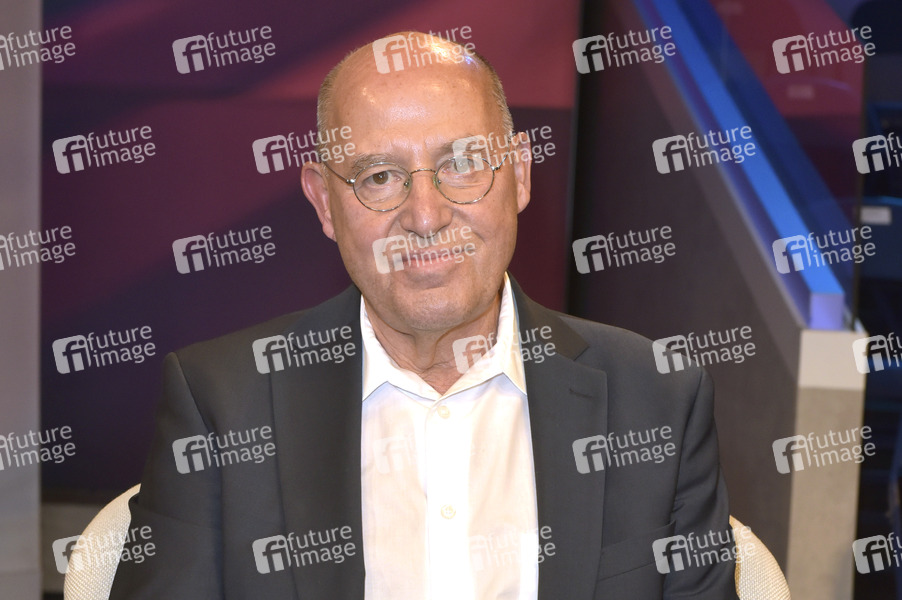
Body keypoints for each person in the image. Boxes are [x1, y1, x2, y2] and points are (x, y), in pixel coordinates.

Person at [109, 32, 738, 599]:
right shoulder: (221, 404)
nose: (426, 216)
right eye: (379, 176)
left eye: (461, 163)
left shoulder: (657, 398)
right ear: (324, 203)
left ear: (519, 173)